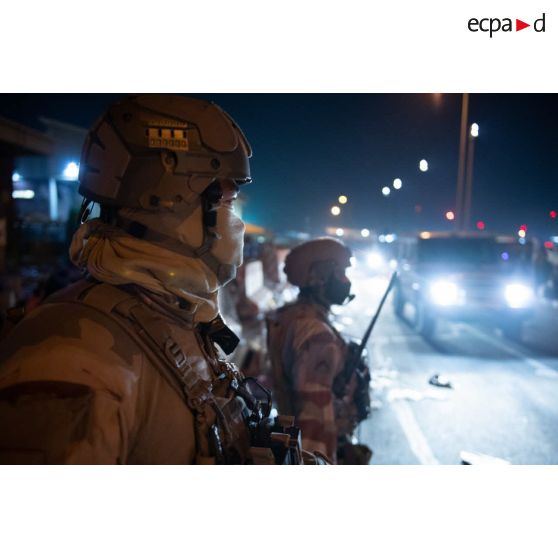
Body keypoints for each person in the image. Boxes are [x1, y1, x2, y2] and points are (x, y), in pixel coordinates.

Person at [0, 94, 317, 465]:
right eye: (227, 202)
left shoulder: (174, 315)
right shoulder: (72, 355)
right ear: (167, 199)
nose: (235, 222)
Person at [266, 238, 372, 464]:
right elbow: (315, 420)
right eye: (341, 272)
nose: (346, 281)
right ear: (320, 276)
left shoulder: (290, 316)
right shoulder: (317, 335)